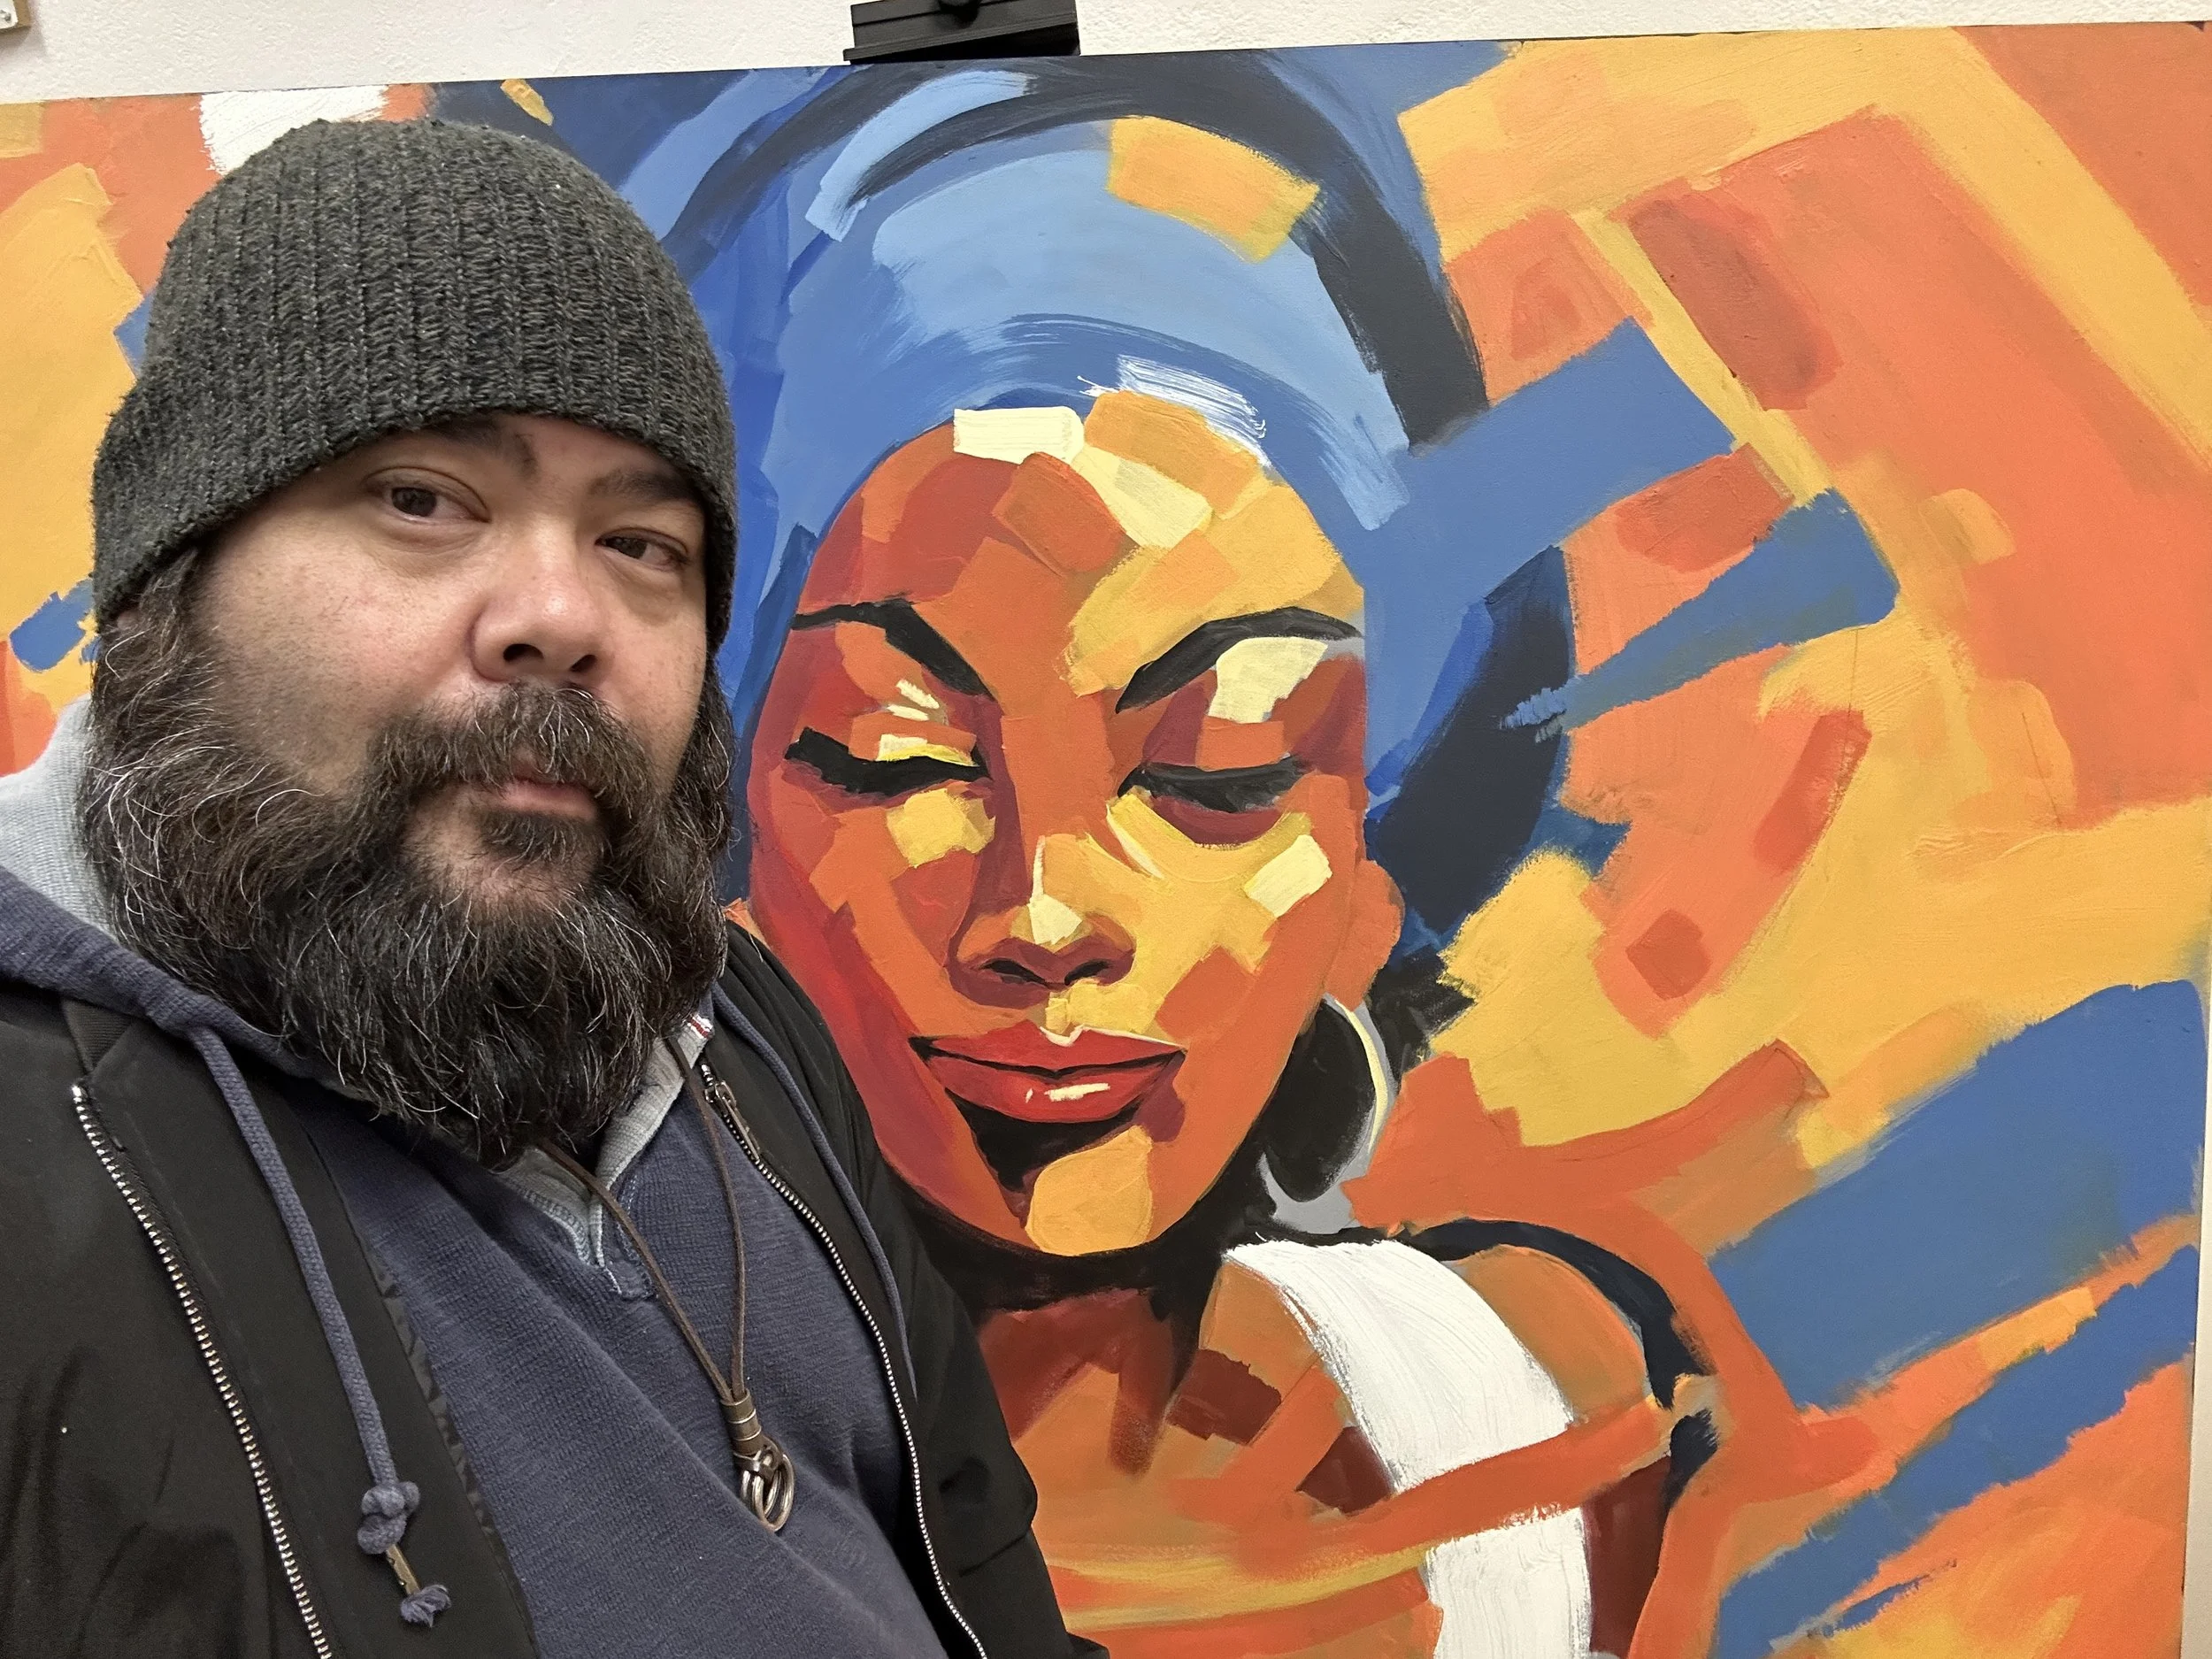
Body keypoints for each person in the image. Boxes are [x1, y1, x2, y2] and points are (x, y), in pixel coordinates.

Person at [0, 118, 1090, 1659]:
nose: (564, 615)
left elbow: (978, 1564)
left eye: (641, 541)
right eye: (421, 498)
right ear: (164, 592)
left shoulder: (739, 1023)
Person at [741, 391, 1727, 1655]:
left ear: (1366, 893)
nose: (1044, 916)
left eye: (1217, 766)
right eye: (897, 756)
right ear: (735, 870)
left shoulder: (1533, 1409)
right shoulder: (610, 1467)